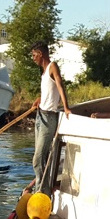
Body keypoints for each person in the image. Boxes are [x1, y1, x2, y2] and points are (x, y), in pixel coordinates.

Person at [27, 41, 70, 193]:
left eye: (34, 55)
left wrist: (66, 107)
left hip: (49, 118)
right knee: (41, 158)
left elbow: (59, 85)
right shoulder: (44, 72)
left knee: (37, 159)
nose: (33, 59)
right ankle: (42, 189)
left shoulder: (52, 66)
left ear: (40, 54)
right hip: (40, 116)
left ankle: (41, 193)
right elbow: (50, 90)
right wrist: (41, 98)